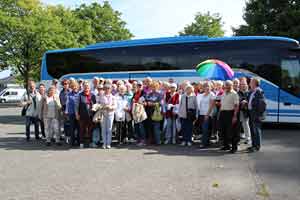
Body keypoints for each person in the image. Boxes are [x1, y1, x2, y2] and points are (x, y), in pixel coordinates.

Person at [219, 80, 240, 153]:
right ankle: (226, 146)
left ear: (231, 86)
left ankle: (234, 148)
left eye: (228, 85)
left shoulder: (234, 94)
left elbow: (236, 105)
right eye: (226, 85)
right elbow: (222, 104)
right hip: (223, 113)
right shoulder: (224, 93)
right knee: (223, 130)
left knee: (232, 131)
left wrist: (235, 116)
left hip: (230, 113)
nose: (227, 86)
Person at [75, 81, 96, 148]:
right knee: (82, 129)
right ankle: (81, 143)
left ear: (89, 87)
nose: (86, 87)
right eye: (85, 86)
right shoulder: (80, 95)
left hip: (91, 115)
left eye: (87, 86)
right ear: (83, 87)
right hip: (82, 115)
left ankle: (91, 142)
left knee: (90, 129)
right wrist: (77, 114)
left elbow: (95, 105)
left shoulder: (92, 95)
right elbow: (76, 106)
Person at [247, 78, 266, 152]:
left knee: (256, 131)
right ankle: (253, 145)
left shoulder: (259, 91)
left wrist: (258, 114)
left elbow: (262, 104)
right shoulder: (253, 91)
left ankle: (257, 146)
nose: (249, 84)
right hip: (251, 114)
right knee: (252, 130)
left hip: (256, 115)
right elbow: (252, 102)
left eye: (251, 82)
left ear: (254, 83)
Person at [197, 82, 215, 148]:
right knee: (205, 129)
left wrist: (207, 115)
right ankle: (207, 142)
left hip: (207, 114)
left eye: (208, 86)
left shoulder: (212, 94)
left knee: (205, 129)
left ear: (211, 87)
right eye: (205, 86)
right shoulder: (202, 94)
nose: (207, 87)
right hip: (201, 114)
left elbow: (211, 106)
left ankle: (203, 143)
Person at [98, 84, 116, 149]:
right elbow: (98, 104)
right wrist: (103, 106)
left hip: (110, 114)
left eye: (108, 88)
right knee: (103, 129)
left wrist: (110, 107)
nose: (107, 89)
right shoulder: (101, 96)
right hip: (103, 114)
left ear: (110, 89)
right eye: (106, 88)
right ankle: (104, 143)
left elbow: (115, 106)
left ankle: (108, 143)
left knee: (109, 129)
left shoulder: (113, 97)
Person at [131, 81, 146, 146]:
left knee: (141, 126)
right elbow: (133, 100)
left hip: (141, 111)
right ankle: (138, 139)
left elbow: (142, 101)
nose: (139, 87)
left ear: (142, 86)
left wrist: (136, 101)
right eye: (138, 85)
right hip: (135, 111)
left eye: (140, 86)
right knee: (136, 126)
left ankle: (143, 140)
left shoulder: (144, 93)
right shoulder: (135, 93)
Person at [65, 81, 80, 146]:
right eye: (73, 86)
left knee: (79, 128)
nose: (74, 87)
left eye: (75, 86)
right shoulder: (69, 94)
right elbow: (67, 104)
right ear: (71, 87)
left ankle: (79, 141)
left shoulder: (80, 94)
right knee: (72, 128)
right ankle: (72, 141)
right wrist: (66, 112)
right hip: (71, 113)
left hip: (79, 114)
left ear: (77, 87)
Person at [238, 78, 251, 144]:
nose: (243, 85)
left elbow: (251, 101)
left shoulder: (249, 92)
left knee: (246, 124)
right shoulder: (238, 92)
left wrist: (246, 102)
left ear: (247, 85)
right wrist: (241, 102)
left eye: (244, 84)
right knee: (238, 125)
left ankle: (248, 138)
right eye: (241, 84)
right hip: (238, 111)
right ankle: (238, 138)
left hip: (245, 111)